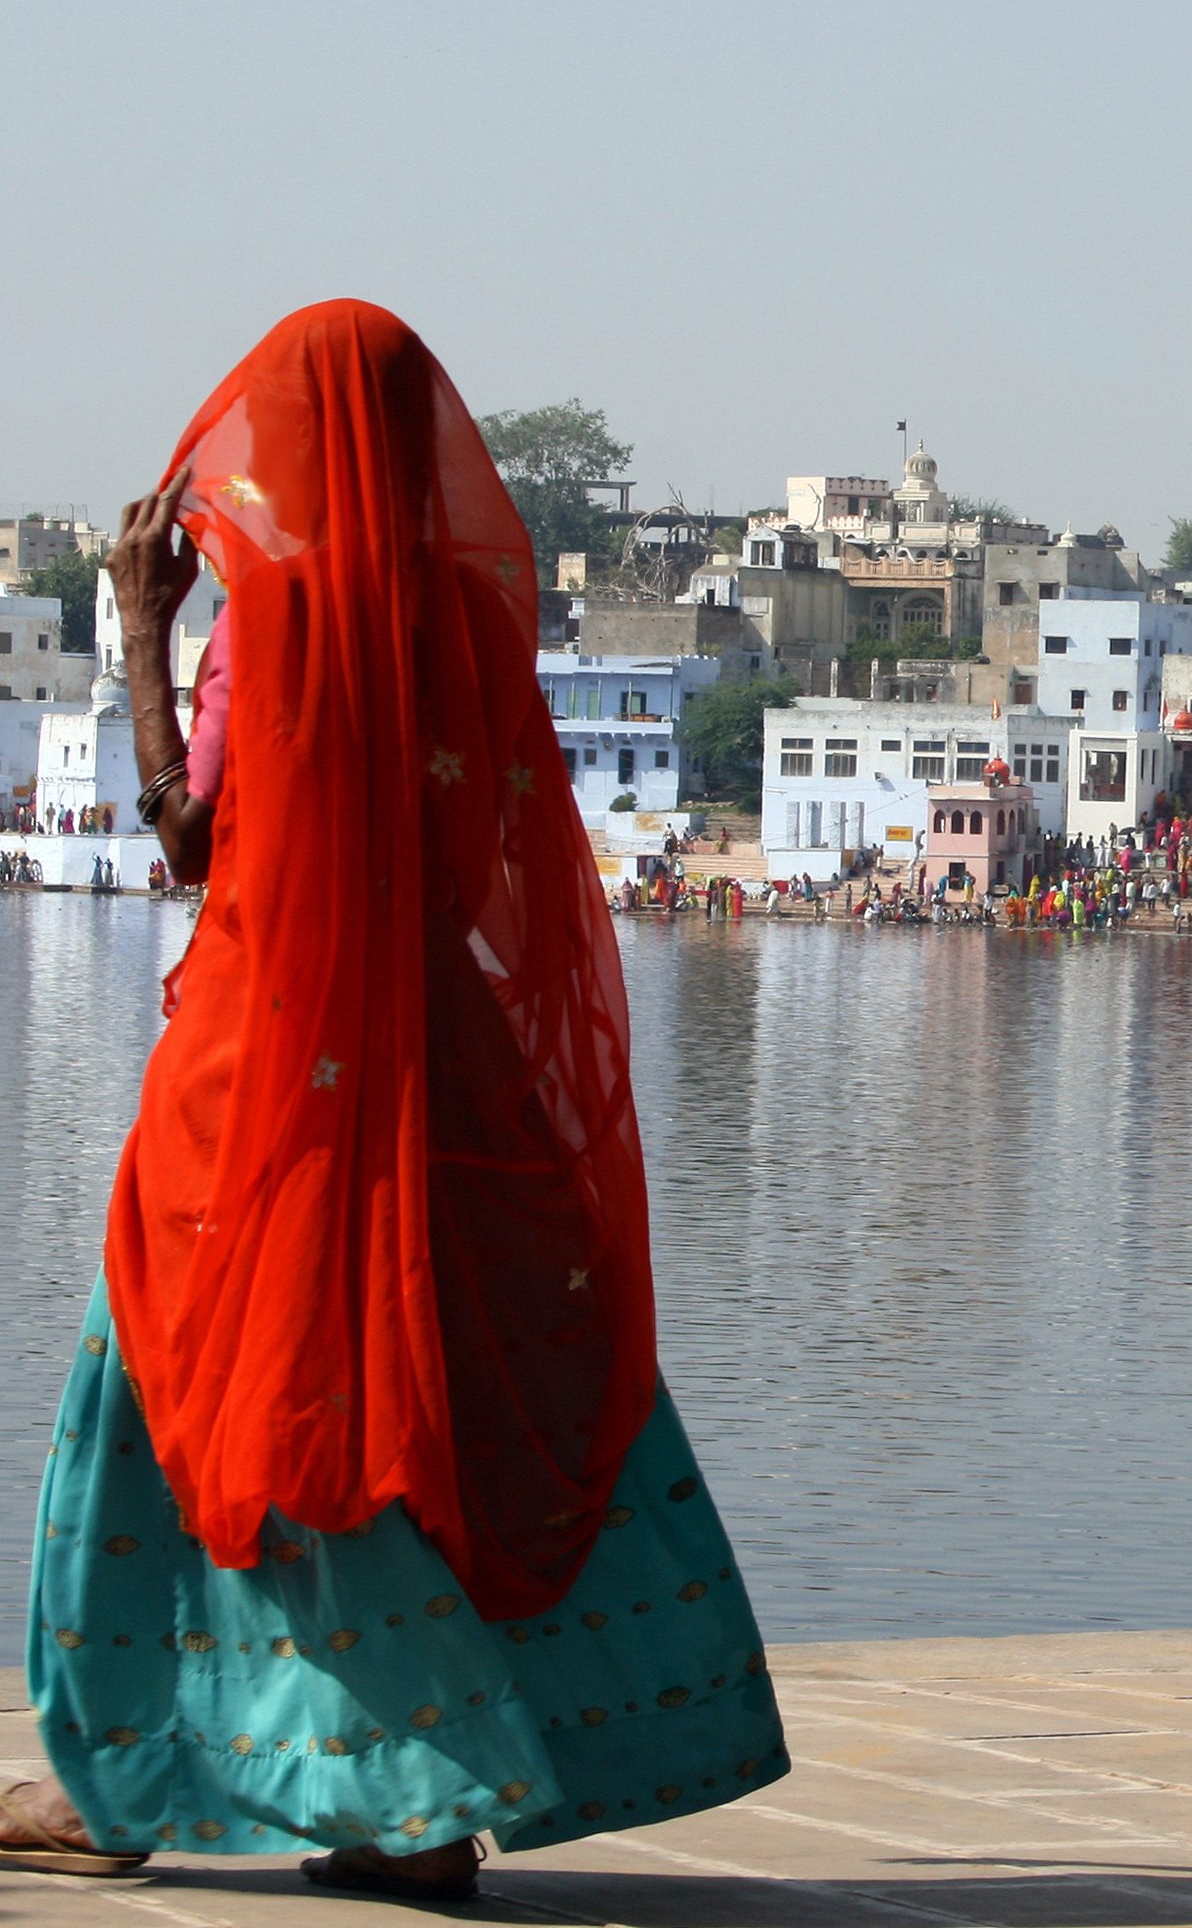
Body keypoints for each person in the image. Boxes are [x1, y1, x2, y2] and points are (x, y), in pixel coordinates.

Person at [4, 305, 786, 1898]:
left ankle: (128, 1785)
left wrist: (147, 636)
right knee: (449, 1403)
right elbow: (495, 870)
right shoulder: (469, 626)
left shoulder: (271, 628)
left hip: (272, 1088)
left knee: (208, 1388)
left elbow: (198, 847)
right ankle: (409, 1807)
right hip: (450, 1086)